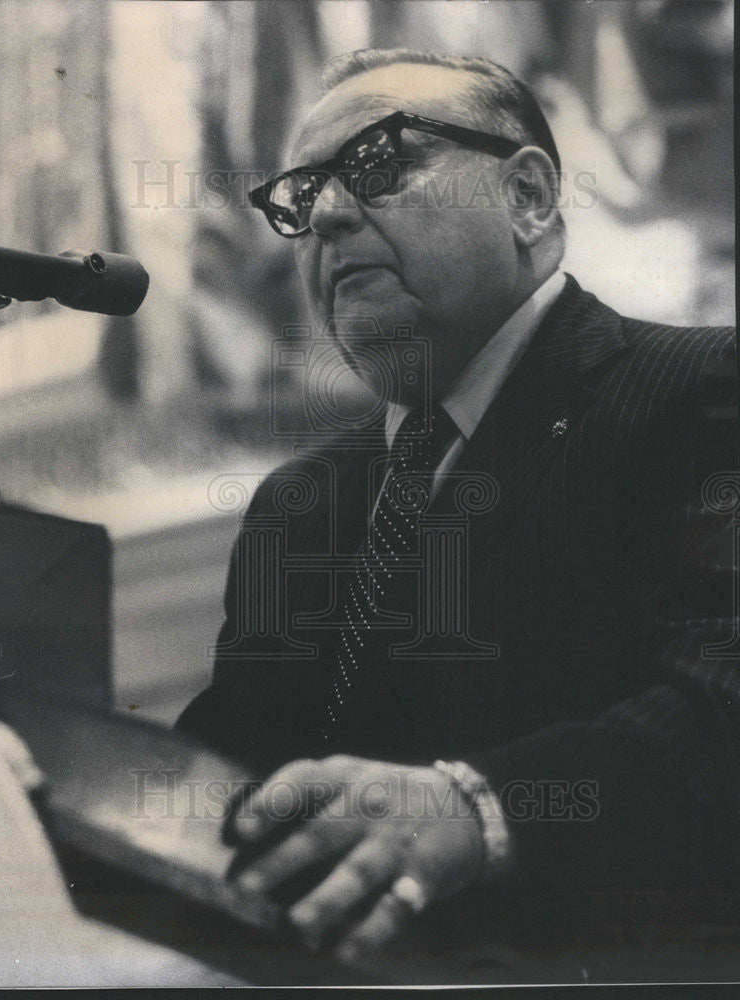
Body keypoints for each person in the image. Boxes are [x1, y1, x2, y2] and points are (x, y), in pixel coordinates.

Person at [178, 50, 738, 967]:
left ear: (528, 196)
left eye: (377, 164)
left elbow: (723, 706)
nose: (324, 213)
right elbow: (233, 774)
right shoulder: (296, 505)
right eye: (301, 194)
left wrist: (480, 810)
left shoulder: (705, 392)